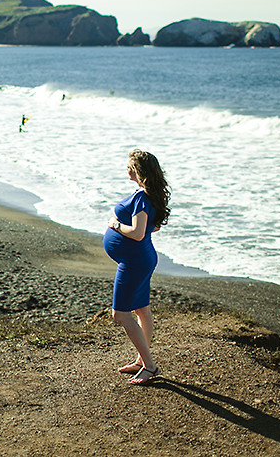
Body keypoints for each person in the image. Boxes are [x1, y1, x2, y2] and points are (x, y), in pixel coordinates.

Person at [103, 149, 171, 385]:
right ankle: (142, 360)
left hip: (134, 262)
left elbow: (138, 233)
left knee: (121, 314)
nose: (127, 169)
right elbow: (154, 227)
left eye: (130, 165)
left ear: (139, 170)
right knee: (141, 309)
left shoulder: (142, 198)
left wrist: (115, 226)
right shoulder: (149, 195)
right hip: (141, 259)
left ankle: (150, 366)